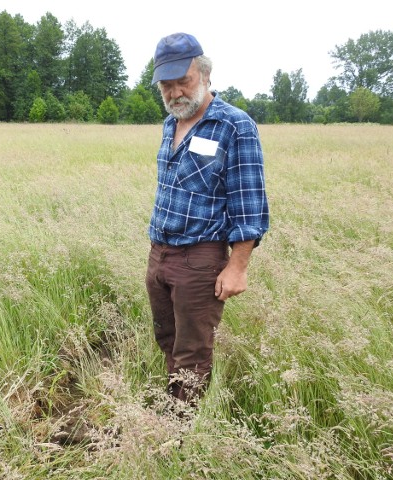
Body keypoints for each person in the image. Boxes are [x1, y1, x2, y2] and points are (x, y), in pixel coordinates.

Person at [145, 32, 269, 406]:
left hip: (199, 258)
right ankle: (173, 406)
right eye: (167, 85)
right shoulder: (172, 124)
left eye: (183, 81)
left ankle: (179, 433)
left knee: (192, 352)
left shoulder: (234, 125)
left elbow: (249, 203)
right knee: (167, 338)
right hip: (159, 254)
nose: (175, 92)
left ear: (205, 74)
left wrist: (237, 266)